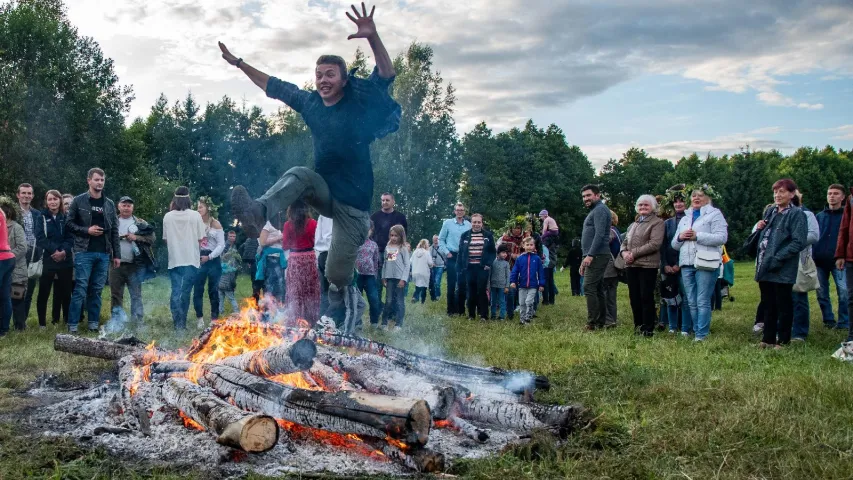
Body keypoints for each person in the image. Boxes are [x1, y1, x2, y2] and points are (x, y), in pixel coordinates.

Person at [224, 3, 400, 333]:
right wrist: (239, 63)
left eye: (330, 75)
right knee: (300, 173)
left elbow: (386, 76)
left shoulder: (356, 101)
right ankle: (257, 210)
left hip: (353, 208)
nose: (322, 80)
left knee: (335, 274)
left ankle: (340, 300)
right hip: (325, 191)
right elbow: (274, 86)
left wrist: (373, 37)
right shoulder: (310, 104)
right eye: (318, 75)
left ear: (344, 80)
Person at [65, 169, 120, 333]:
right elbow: (68, 224)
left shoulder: (109, 203)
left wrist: (116, 255)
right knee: (80, 288)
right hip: (84, 251)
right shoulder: (78, 201)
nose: (100, 182)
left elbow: (115, 231)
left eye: (102, 180)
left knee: (96, 290)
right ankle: (72, 325)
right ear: (89, 180)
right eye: (97, 179)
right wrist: (86, 230)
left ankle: (93, 324)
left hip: (104, 253)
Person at [754, 179, 807, 349]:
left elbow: (798, 241)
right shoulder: (770, 211)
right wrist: (760, 227)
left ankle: (783, 340)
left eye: (782, 192)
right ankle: (767, 339)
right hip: (765, 264)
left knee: (783, 304)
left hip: (782, 266)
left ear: (792, 194)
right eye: (775, 192)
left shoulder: (796, 214)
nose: (777, 195)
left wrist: (778, 257)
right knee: (768, 303)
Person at [672, 185, 728, 342]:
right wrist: (680, 237)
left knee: (702, 299)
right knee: (691, 300)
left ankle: (701, 334)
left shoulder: (715, 214)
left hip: (706, 261)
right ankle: (696, 330)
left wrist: (698, 236)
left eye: (700, 195)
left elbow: (722, 238)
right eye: (693, 195)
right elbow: (674, 244)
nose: (696, 198)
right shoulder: (684, 218)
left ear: (708, 198)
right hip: (686, 262)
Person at [619, 195, 665, 337]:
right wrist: (624, 253)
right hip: (631, 265)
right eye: (640, 205)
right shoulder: (634, 224)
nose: (643, 207)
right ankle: (637, 326)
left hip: (647, 265)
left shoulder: (657, 223)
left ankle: (648, 328)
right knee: (634, 297)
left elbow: (655, 244)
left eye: (646, 205)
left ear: (652, 207)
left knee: (646, 296)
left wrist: (633, 253)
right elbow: (625, 241)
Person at [162, 186, 206, 330]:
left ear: (174, 199)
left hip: (174, 260)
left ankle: (177, 324)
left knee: (176, 291)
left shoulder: (168, 217)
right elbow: (201, 239)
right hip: (191, 260)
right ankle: (182, 323)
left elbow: (166, 240)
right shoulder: (195, 216)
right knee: (185, 292)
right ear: (189, 199)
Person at [109, 196, 155, 326]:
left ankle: (137, 321)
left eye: (129, 205)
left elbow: (151, 239)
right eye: (124, 205)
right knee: (115, 294)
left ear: (132, 208)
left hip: (135, 265)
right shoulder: (112, 222)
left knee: (136, 294)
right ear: (118, 206)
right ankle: (116, 321)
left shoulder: (140, 223)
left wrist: (136, 237)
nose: (126, 207)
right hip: (115, 264)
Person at [36, 190, 73, 328]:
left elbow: (70, 238)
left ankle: (68, 322)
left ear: (60, 201)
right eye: (50, 199)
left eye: (55, 199)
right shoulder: (41, 217)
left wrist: (63, 251)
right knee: (43, 292)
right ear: (46, 201)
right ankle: (42, 324)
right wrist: (55, 251)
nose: (53, 202)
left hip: (65, 260)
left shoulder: (67, 217)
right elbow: (40, 238)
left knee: (66, 292)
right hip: (48, 258)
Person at [814, 185, 848, 331]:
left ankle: (844, 322)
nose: (832, 196)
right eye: (829, 193)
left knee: (844, 292)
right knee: (821, 293)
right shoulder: (819, 216)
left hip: (839, 261)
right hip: (819, 260)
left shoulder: (847, 216)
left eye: (835, 193)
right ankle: (828, 320)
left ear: (843, 197)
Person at [580, 185, 613, 331]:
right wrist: (585, 256)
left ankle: (592, 322)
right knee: (598, 288)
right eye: (584, 196)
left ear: (597, 195)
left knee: (588, 286)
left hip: (598, 255)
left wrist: (591, 255)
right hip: (594, 255)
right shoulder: (596, 210)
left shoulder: (600, 210)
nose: (586, 199)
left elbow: (600, 234)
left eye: (588, 195)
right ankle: (600, 321)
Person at [282, 200, 320, 326]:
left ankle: (294, 321)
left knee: (295, 292)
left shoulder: (288, 225)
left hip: (294, 259)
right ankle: (311, 322)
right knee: (310, 291)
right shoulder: (313, 223)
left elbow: (285, 245)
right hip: (309, 257)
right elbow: (317, 242)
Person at [12, 183, 45, 329]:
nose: (26, 196)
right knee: (17, 289)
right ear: (18, 195)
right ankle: (17, 323)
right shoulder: (12, 213)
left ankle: (23, 321)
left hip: (33, 254)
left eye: (29, 193)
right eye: (23, 193)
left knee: (30, 290)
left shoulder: (38, 214)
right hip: (17, 254)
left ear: (32, 196)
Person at [660, 186, 690, 333]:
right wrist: (665, 264)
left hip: (684, 265)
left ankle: (685, 327)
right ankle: (672, 327)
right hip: (668, 265)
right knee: (670, 297)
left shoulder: (691, 222)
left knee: (685, 297)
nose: (678, 204)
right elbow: (663, 246)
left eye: (681, 201)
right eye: (676, 202)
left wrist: (679, 264)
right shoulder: (667, 223)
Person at [791, 190, 820, 342]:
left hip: (799, 261)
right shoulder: (776, 214)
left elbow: (814, 236)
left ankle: (799, 333)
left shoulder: (807, 215)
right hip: (781, 262)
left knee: (798, 296)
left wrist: (792, 242)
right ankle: (782, 329)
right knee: (780, 298)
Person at [457, 214, 497, 321]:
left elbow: (493, 252)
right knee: (471, 291)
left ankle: (483, 315)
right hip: (469, 268)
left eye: (478, 222)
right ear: (471, 223)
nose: (476, 224)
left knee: (482, 290)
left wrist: (488, 264)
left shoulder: (488, 236)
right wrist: (460, 267)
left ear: (482, 223)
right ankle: (471, 315)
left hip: (482, 268)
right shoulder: (465, 235)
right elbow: (461, 253)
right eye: (474, 222)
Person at [193, 197, 225, 327]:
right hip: (199, 259)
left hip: (213, 259)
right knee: (197, 290)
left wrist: (210, 257)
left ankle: (214, 319)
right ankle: (199, 318)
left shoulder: (216, 224)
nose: (198, 209)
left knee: (213, 290)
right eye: (197, 207)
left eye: (201, 207)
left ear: (208, 208)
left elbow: (221, 245)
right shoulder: (195, 223)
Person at [371, 193, 408, 303]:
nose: (384, 202)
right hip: (377, 252)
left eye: (387, 200)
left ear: (393, 201)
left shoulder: (400, 217)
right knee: (377, 282)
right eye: (382, 200)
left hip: (393, 251)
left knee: (391, 280)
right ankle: (378, 309)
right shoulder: (374, 217)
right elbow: (369, 234)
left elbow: (405, 235)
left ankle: (392, 309)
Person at [438, 203, 472, 316]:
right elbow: (441, 240)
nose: (459, 212)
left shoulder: (468, 225)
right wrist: (446, 252)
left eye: (462, 210)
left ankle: (460, 310)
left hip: (463, 256)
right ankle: (450, 310)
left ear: (464, 212)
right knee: (451, 284)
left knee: (462, 284)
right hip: (452, 255)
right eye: (458, 210)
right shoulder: (447, 223)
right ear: (454, 211)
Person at [0, 199, 26, 337]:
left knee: (7, 296)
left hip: (1, 258)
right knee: (5, 296)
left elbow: (23, 247)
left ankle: (5, 328)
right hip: (7, 258)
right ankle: (3, 330)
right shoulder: (1, 214)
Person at [510, 237, 545, 325]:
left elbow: (541, 272)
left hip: (533, 285)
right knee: (522, 303)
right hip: (522, 285)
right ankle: (522, 319)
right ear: (523, 246)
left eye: (531, 245)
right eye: (527, 245)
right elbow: (515, 271)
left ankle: (528, 318)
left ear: (534, 246)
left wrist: (541, 284)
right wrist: (513, 281)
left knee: (528, 301)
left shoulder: (537, 259)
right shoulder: (520, 259)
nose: (529, 247)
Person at [381, 224, 409, 330]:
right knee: (388, 301)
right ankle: (384, 323)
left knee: (399, 301)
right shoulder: (388, 248)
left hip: (399, 279)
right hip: (390, 279)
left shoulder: (403, 249)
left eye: (396, 236)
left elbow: (407, 265)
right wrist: (383, 277)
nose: (393, 238)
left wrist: (403, 279)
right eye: (391, 235)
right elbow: (387, 263)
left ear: (401, 236)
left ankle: (398, 324)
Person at [834, 187, 853, 343]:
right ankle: (852, 336)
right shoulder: (851, 198)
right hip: (851, 256)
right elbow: (845, 227)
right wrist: (840, 254)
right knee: (851, 298)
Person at [500, 217, 527, 320]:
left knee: (522, 288)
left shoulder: (526, 237)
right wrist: (511, 255)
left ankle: (520, 307)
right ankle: (509, 311)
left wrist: (520, 256)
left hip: (523, 268)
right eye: (515, 228)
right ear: (511, 228)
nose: (517, 230)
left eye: (519, 228)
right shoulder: (505, 238)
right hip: (509, 267)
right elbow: (501, 251)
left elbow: (531, 250)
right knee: (511, 289)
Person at [356, 221, 381, 327]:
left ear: (371, 230)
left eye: (368, 229)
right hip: (357, 275)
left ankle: (374, 322)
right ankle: (357, 322)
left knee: (374, 299)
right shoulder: (355, 242)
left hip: (370, 276)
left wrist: (375, 274)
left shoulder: (374, 245)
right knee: (356, 300)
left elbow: (376, 261)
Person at [258, 220, 286, 305]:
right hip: (271, 259)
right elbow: (262, 242)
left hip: (279, 259)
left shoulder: (279, 226)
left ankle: (277, 312)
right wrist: (280, 237)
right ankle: (267, 313)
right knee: (270, 285)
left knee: (279, 286)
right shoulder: (268, 225)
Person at [603, 211, 621, 328]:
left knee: (604, 294)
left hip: (608, 268)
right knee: (611, 295)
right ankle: (612, 318)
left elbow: (602, 243)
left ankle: (608, 319)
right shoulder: (616, 231)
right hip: (615, 268)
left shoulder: (609, 232)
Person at [218, 230, 241, 316]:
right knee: (228, 296)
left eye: (234, 236)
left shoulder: (234, 246)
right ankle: (236, 311)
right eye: (230, 236)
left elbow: (236, 259)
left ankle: (221, 311)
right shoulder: (225, 246)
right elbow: (223, 258)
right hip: (226, 271)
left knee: (221, 295)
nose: (232, 238)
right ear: (227, 237)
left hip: (231, 271)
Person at [314, 215, 333, 316]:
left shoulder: (323, 214)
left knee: (325, 292)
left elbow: (319, 236)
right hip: (332, 254)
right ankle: (330, 321)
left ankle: (322, 320)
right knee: (335, 293)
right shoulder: (335, 211)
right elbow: (330, 237)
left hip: (323, 254)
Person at [490, 245, 511, 320]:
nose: (505, 254)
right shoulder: (492, 262)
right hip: (493, 285)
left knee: (502, 301)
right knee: (493, 301)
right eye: (503, 252)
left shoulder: (506, 264)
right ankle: (493, 315)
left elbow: (508, 276)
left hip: (502, 286)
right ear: (498, 253)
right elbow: (490, 274)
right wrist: (488, 286)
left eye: (506, 253)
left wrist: (507, 286)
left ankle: (502, 316)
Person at [410, 239, 433, 304]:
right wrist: (431, 266)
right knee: (424, 287)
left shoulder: (415, 252)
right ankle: (422, 301)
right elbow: (430, 263)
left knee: (418, 285)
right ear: (426, 245)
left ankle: (415, 298)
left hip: (415, 272)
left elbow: (410, 261)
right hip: (424, 272)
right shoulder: (427, 252)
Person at [429, 234, 445, 301]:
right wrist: (431, 264)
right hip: (432, 267)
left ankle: (438, 295)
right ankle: (434, 295)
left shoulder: (442, 247)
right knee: (433, 282)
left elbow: (445, 256)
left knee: (437, 281)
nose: (436, 240)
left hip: (440, 266)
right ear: (432, 240)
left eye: (437, 239)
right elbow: (428, 258)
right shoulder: (430, 248)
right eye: (434, 239)